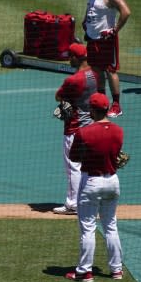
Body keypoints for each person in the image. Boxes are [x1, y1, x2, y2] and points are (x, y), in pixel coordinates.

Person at [66, 92, 124, 282]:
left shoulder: (84, 132)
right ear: (106, 108)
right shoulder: (118, 131)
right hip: (113, 181)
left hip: (92, 182)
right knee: (110, 225)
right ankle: (116, 270)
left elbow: (74, 157)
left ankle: (84, 271)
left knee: (88, 227)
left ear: (92, 110)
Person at [52, 43, 97, 215]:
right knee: (87, 167)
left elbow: (58, 96)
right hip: (91, 128)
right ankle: (88, 200)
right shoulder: (94, 75)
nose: (68, 59)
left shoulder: (73, 80)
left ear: (75, 58)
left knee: (73, 167)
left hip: (74, 129)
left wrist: (67, 102)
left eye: (69, 56)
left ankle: (73, 204)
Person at [83, 0, 131, 117]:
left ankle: (116, 105)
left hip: (106, 40)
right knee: (96, 70)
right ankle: (101, 101)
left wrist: (115, 30)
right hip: (92, 38)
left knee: (110, 71)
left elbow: (126, 11)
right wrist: (85, 21)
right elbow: (90, 8)